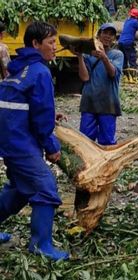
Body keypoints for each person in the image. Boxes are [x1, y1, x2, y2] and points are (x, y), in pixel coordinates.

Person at [0, 21, 69, 261]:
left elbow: (24, 105)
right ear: (35, 44)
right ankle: (41, 245)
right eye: (50, 43)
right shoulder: (40, 71)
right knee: (46, 187)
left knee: (20, 190)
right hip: (20, 143)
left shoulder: (19, 67)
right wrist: (51, 147)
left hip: (10, 138)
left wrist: (51, 114)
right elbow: (40, 118)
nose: (55, 47)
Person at [75, 23, 124, 145]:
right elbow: (84, 77)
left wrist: (104, 58)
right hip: (89, 102)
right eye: (105, 33)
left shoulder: (117, 55)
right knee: (85, 140)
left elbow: (113, 74)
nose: (108, 36)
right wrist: (80, 57)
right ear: (99, 35)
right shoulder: (88, 55)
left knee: (107, 141)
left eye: (111, 34)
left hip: (108, 104)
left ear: (114, 38)